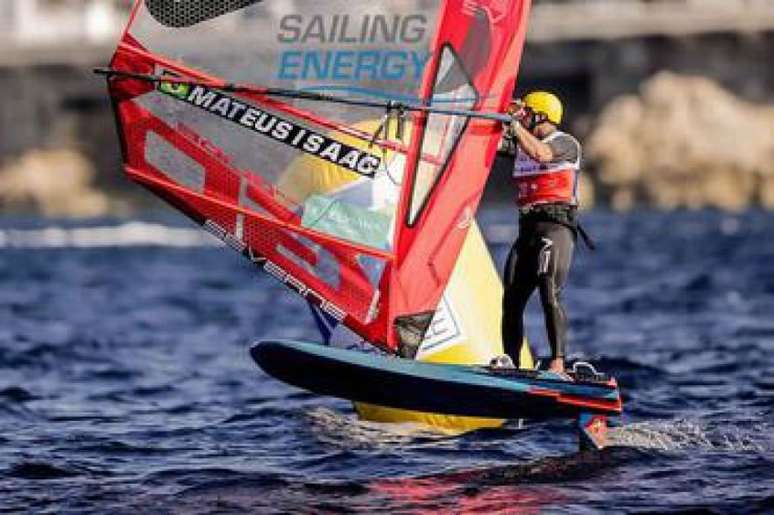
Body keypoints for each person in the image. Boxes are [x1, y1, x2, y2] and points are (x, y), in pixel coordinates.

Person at [493, 91, 588, 377]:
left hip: (556, 229)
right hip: (527, 232)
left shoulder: (565, 143)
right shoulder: (521, 142)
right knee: (511, 299)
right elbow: (488, 144)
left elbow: (541, 154)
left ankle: (558, 363)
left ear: (541, 116)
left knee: (549, 292)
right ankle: (511, 362)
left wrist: (514, 124)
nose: (522, 119)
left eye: (526, 114)